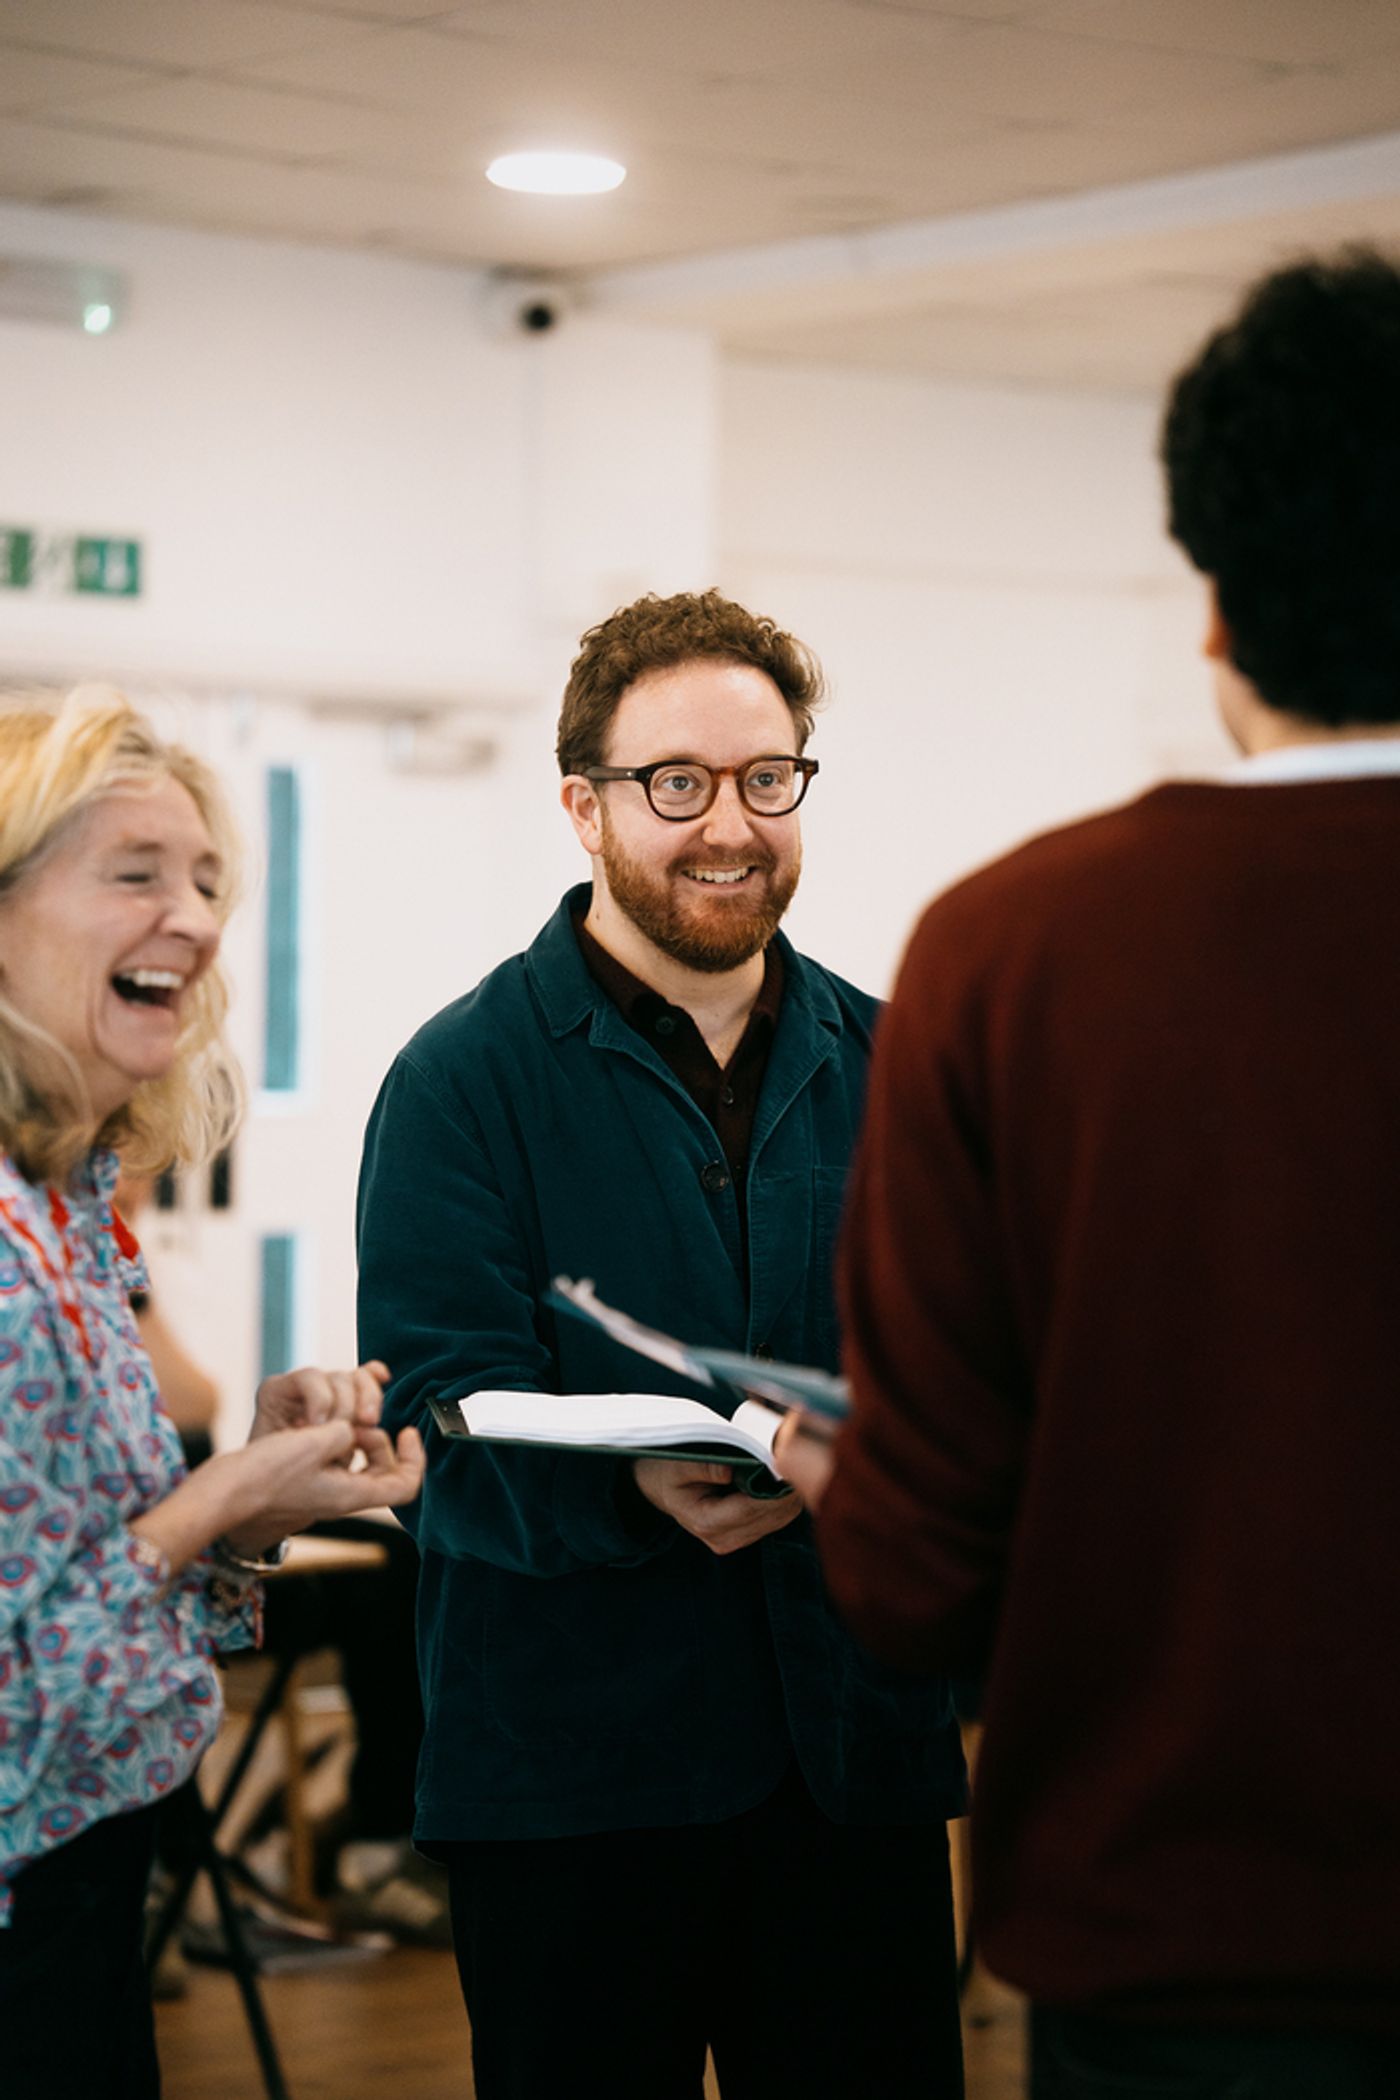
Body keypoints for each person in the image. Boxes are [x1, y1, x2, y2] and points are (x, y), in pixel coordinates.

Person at [790, 250, 1400, 2097]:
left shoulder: (1011, 952)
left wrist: (846, 1485)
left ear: (1211, 606)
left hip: (1174, 1954)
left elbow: (921, 1569)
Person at [357, 590, 967, 2100]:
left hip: (852, 1770)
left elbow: (969, 1366)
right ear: (585, 804)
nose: (729, 825)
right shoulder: (461, 1079)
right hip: (572, 1782)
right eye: (675, 784)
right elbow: (430, 1419)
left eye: (769, 779)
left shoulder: (900, 1062)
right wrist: (627, 1494)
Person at [0, 692, 425, 2100]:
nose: (192, 917)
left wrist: (250, 1485)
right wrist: (219, 1503)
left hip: (82, 1897)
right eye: (134, 874)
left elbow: (91, 1585)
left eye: (205, 882)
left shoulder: (69, 1207)